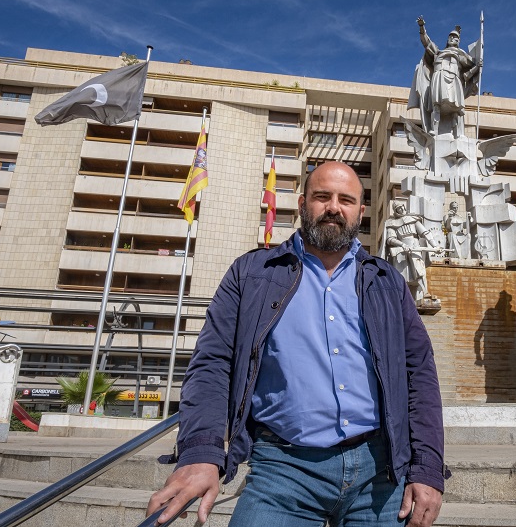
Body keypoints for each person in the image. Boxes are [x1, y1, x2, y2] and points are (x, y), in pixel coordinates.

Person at [147, 162, 447, 527]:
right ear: (304, 204)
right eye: (323, 197)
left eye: (346, 199)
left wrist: (427, 468)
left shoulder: (387, 283)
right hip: (283, 469)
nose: (334, 207)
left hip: (379, 470)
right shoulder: (251, 275)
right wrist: (201, 452)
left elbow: (419, 375)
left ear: (360, 212)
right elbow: (212, 364)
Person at [408, 16, 482, 138]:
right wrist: (422, 28)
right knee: (436, 105)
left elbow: (469, 72)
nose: (454, 39)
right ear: (447, 39)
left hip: (455, 79)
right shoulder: (438, 52)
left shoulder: (461, 55)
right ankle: (434, 130)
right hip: (440, 77)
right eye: (452, 37)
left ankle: (459, 134)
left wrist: (478, 66)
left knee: (457, 109)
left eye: (457, 38)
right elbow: (426, 42)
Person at [384, 201, 443, 302]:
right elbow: (390, 239)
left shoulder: (413, 219)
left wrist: (435, 246)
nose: (401, 209)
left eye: (402, 207)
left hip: (415, 246)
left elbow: (425, 233)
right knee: (402, 275)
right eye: (398, 208)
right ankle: (401, 298)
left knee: (420, 270)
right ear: (395, 210)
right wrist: (402, 244)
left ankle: (425, 293)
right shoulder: (391, 223)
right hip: (401, 251)